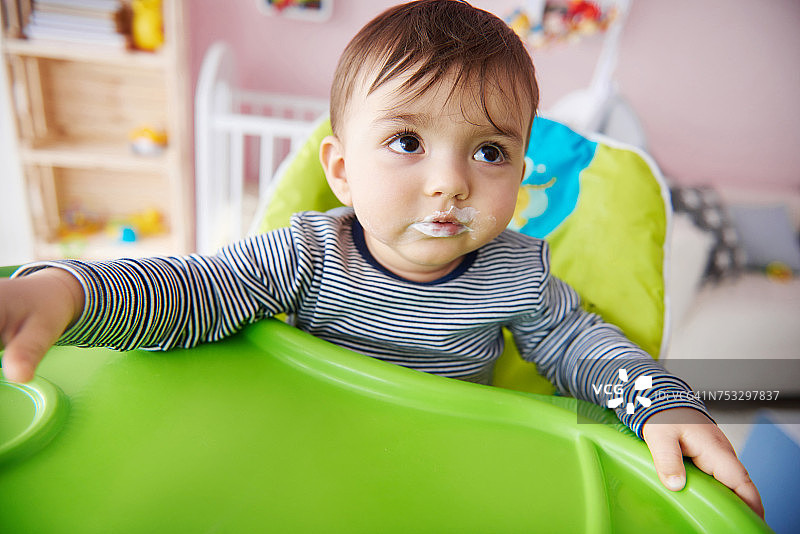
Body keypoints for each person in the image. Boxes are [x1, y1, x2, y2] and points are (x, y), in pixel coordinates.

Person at [0, 0, 762, 518]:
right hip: (301, 462)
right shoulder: (306, 254)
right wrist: (69, 290)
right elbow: (193, 289)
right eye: (407, 142)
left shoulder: (516, 274)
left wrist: (660, 401)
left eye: (490, 151)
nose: (449, 182)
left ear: (521, 171)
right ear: (339, 169)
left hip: (441, 477)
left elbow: (583, 346)